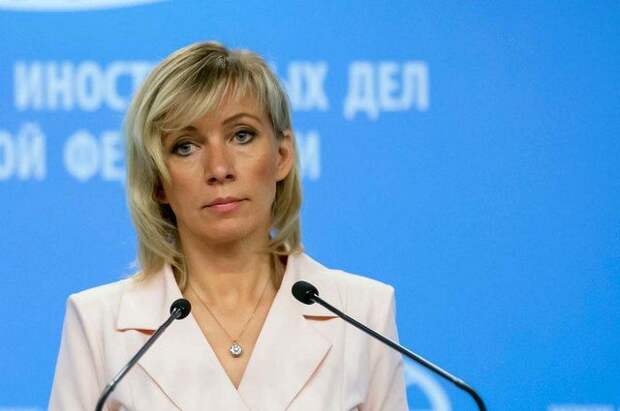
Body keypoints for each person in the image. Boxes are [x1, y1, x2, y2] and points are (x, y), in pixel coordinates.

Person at [49, 41, 408, 411]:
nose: (219, 169)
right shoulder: (98, 324)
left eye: (241, 135)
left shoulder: (362, 314)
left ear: (282, 155)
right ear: (157, 181)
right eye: (185, 146)